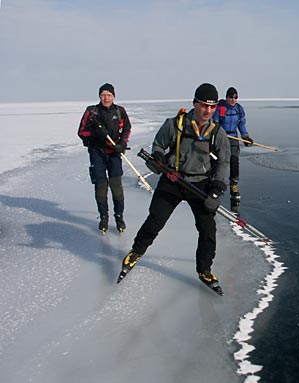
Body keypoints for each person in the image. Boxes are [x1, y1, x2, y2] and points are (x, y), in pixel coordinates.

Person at [122, 83, 230, 295]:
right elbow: (158, 145)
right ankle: (136, 252)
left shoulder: (218, 133)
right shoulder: (175, 124)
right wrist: (159, 158)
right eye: (203, 105)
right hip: (173, 179)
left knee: (208, 230)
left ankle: (204, 270)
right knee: (155, 221)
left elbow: (223, 162)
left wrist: (217, 187)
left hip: (200, 183)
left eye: (212, 107)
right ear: (194, 104)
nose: (207, 111)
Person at [77, 83, 131, 233]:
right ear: (99, 96)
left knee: (116, 186)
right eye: (103, 95)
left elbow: (127, 128)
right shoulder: (92, 111)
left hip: (114, 153)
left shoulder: (120, 111)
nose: (106, 98)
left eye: (109, 95)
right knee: (100, 186)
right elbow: (81, 131)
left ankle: (119, 217)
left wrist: (122, 143)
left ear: (113, 96)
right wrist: (94, 135)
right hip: (97, 153)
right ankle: (104, 217)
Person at [213, 86, 253, 202]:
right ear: (226, 98)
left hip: (233, 138)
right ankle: (216, 183)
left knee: (234, 161)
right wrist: (218, 135)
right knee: (219, 161)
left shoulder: (239, 109)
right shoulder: (220, 109)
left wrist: (245, 136)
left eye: (235, 97)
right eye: (231, 97)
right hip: (221, 138)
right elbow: (215, 124)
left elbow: (241, 124)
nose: (233, 100)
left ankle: (233, 185)